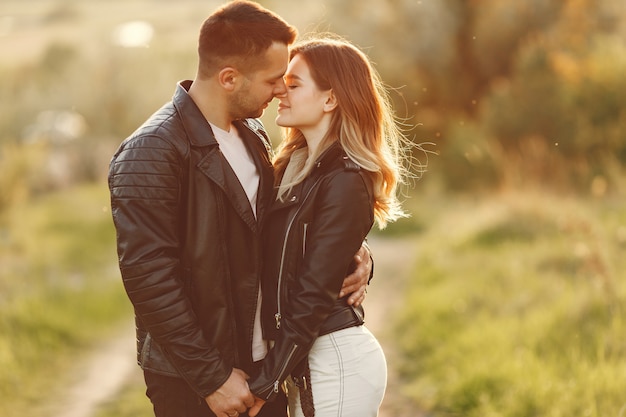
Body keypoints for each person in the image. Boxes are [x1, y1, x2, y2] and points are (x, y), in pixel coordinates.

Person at [107, 3, 372, 417]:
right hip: (193, 382)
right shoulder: (151, 151)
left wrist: (356, 255)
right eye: (272, 81)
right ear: (229, 78)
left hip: (264, 367)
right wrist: (211, 378)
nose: (280, 91)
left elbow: (287, 229)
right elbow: (149, 278)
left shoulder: (254, 135)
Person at [247, 34, 411, 417]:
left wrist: (266, 381)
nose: (278, 94)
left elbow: (313, 293)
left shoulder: (347, 179)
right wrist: (359, 255)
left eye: (293, 84)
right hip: (302, 361)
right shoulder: (289, 169)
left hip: (335, 363)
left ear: (330, 98)